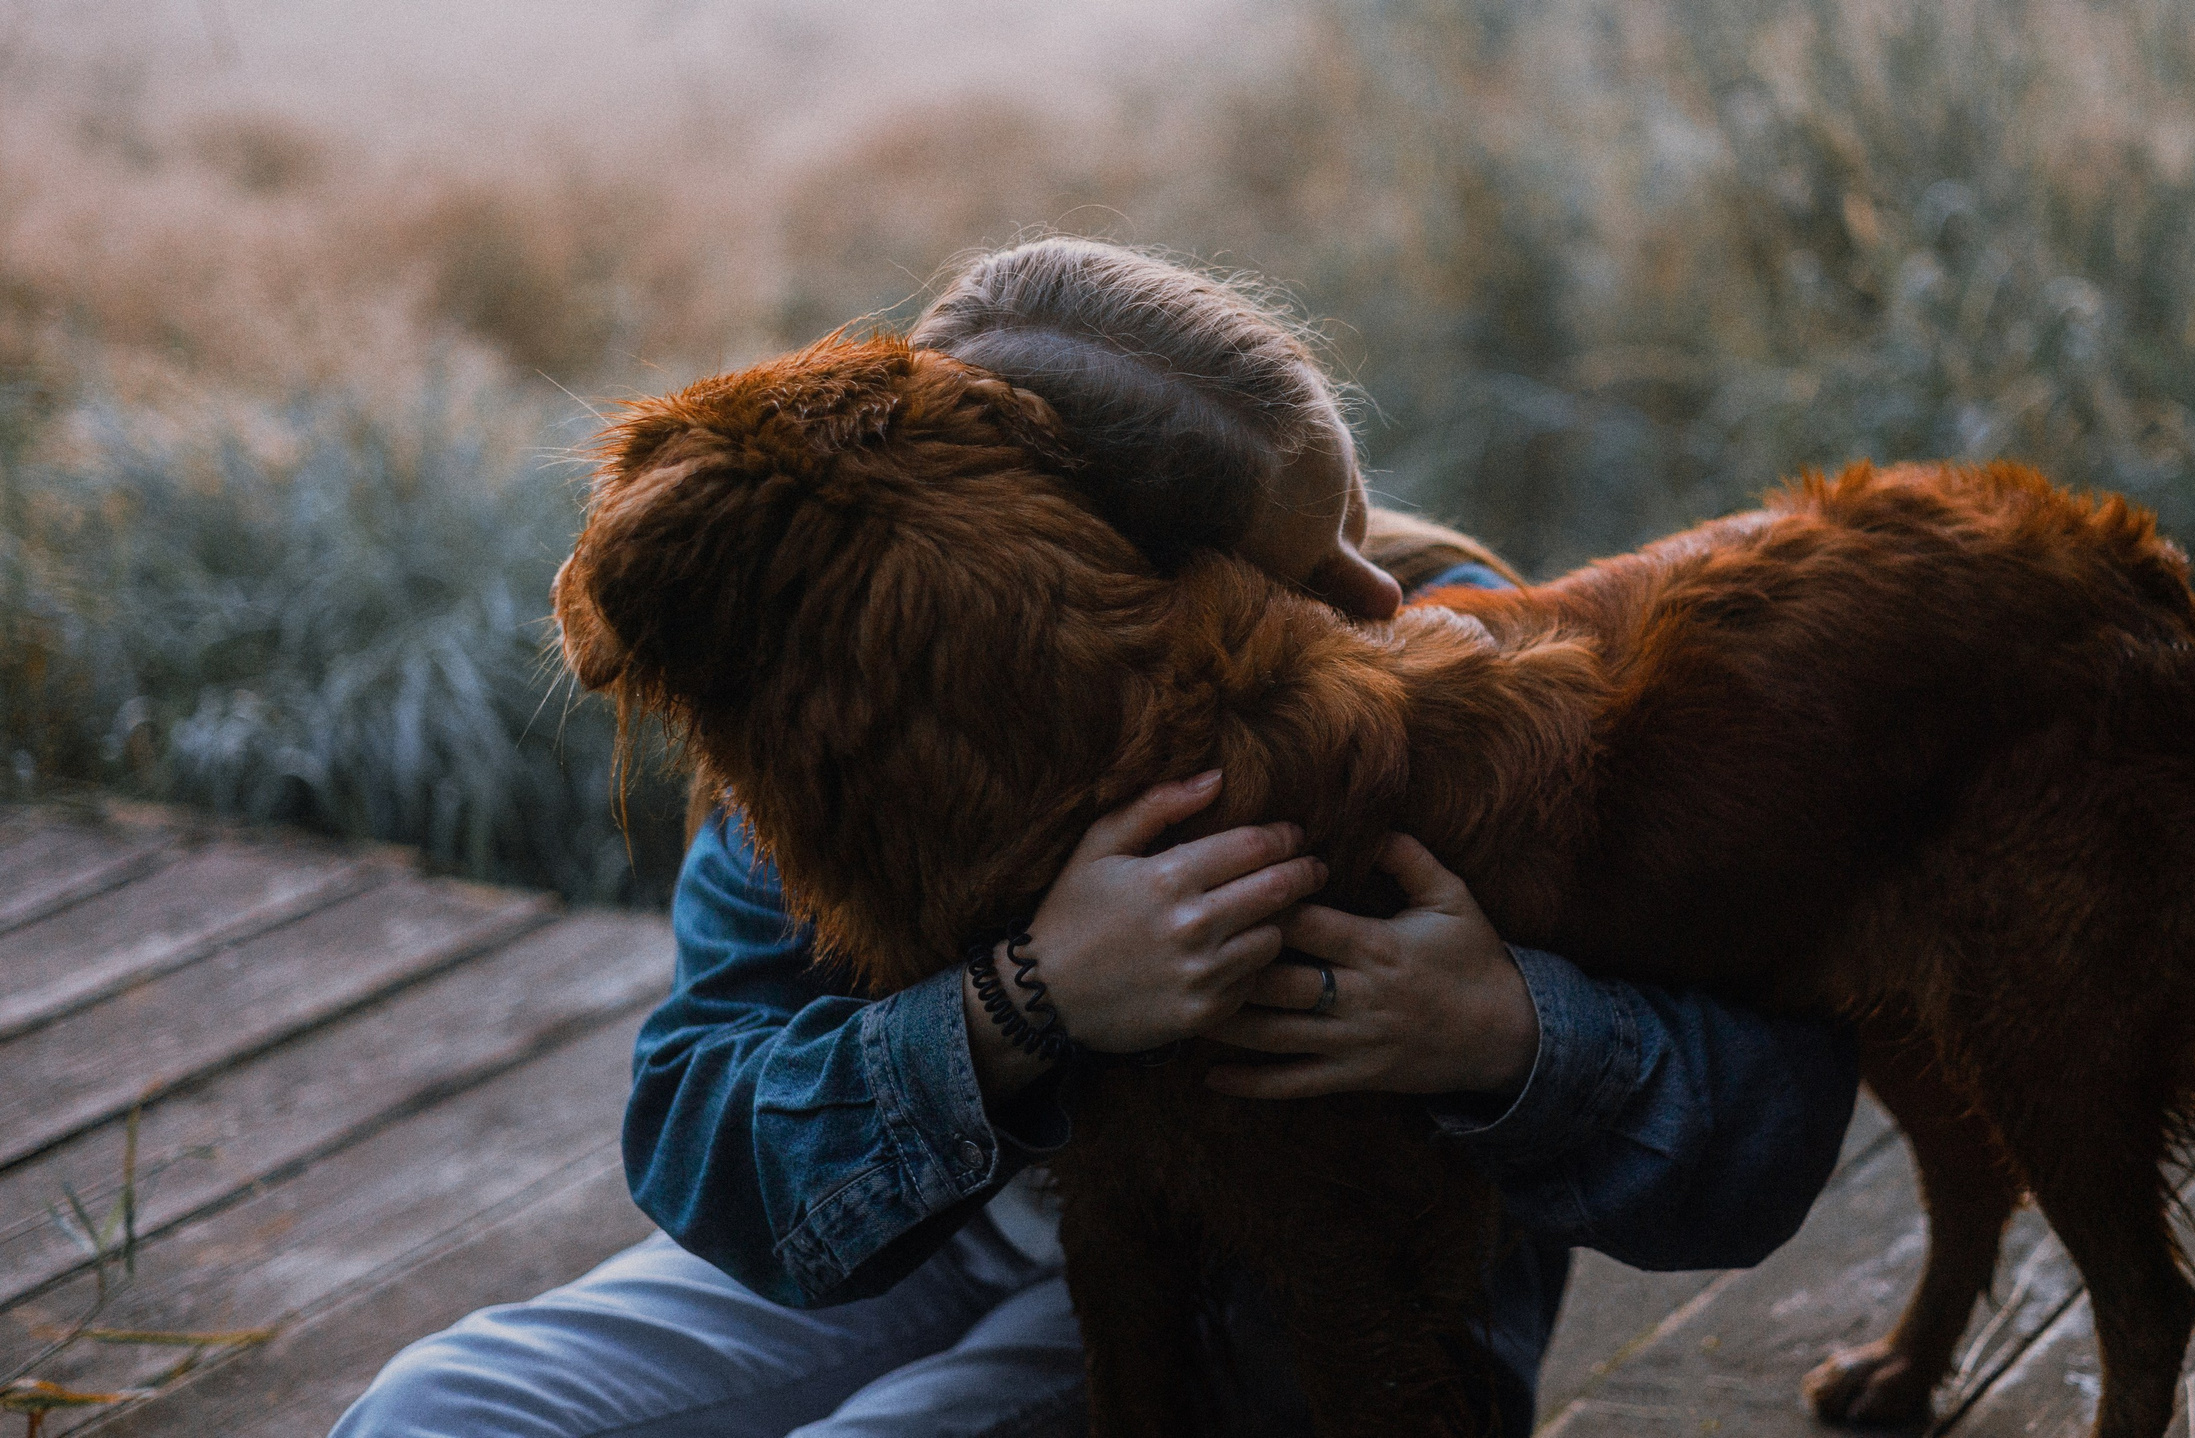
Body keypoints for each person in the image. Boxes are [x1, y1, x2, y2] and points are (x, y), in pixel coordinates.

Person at [330, 240, 1861, 1438]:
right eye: (1286, 569)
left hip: (1297, 1289)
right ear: (1058, 563)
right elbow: (695, 1130)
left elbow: (1769, 1135)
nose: (1373, 599)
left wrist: (1508, 1032)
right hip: (947, 1232)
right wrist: (1020, 1005)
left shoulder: (1451, 658)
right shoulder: (849, 718)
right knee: (433, 1410)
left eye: (1355, 511)